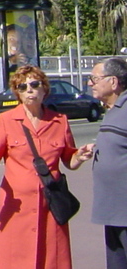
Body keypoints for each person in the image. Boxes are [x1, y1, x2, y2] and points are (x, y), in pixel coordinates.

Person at [0, 64, 91, 269]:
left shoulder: (60, 121)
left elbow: (69, 160)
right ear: (17, 93)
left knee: (52, 258)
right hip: (17, 207)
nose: (29, 90)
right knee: (15, 259)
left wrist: (80, 156)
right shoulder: (6, 120)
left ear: (44, 89)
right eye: (22, 87)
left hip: (50, 204)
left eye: (34, 84)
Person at [83, 57, 127, 269]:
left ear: (113, 82)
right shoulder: (113, 109)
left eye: (94, 78)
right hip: (113, 211)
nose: (90, 83)